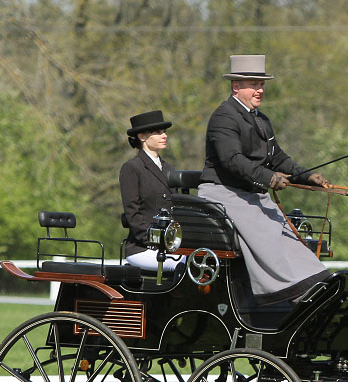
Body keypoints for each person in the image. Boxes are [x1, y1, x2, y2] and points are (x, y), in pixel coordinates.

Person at [199, 54, 330, 305]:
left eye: (261, 85)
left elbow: (278, 158)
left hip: (251, 195)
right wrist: (269, 179)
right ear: (236, 86)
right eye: (253, 84)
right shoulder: (224, 117)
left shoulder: (262, 121)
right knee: (266, 229)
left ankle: (314, 281)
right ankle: (287, 289)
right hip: (223, 193)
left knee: (285, 229)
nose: (259, 90)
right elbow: (232, 160)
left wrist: (307, 176)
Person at [118, 110, 183, 272]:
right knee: (182, 266)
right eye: (158, 132)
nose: (164, 135)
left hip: (170, 245)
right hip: (142, 248)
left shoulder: (169, 168)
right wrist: (155, 241)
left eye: (164, 132)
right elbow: (133, 214)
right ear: (142, 137)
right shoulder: (132, 168)